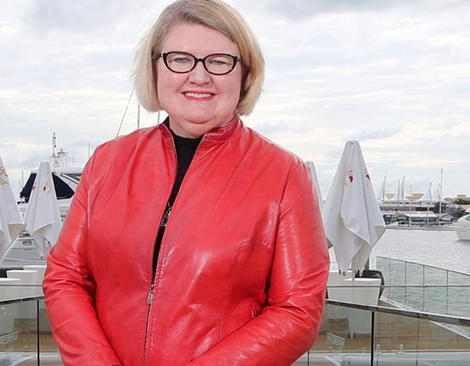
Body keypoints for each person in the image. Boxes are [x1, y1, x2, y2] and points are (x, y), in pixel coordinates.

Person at [43, 1, 329, 365]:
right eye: (180, 59)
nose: (199, 76)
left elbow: (297, 310)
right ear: (155, 68)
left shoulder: (285, 174)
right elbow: (65, 277)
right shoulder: (106, 162)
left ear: (244, 74)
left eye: (219, 61)